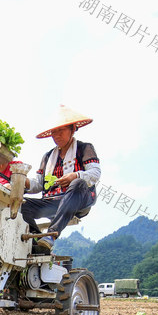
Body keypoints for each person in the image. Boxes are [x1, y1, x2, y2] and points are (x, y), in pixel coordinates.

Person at [21, 105, 101, 252]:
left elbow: (95, 173)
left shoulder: (84, 148)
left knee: (78, 183)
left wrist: (75, 175)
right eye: (54, 132)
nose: (57, 136)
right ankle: (38, 242)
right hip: (52, 201)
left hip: (78, 198)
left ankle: (51, 235)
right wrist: (22, 181)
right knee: (21, 205)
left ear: (73, 129)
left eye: (61, 130)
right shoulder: (48, 157)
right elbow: (39, 184)